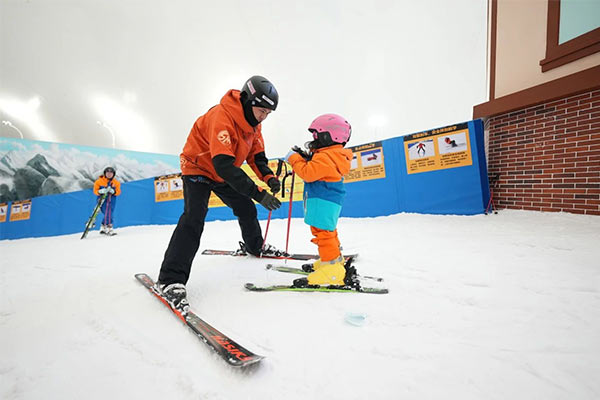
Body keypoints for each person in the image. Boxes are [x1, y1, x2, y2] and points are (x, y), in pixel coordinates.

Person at [157, 75, 282, 312]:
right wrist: (259, 193)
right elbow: (224, 165)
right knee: (194, 217)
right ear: (247, 100)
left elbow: (257, 156)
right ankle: (170, 279)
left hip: (221, 171)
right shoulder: (222, 117)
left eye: (268, 113)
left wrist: (269, 178)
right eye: (261, 110)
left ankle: (255, 246)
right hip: (199, 167)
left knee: (246, 207)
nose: (264, 116)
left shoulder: (254, 126)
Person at [285, 113, 353, 286]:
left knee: (323, 233)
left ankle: (332, 272)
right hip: (327, 200)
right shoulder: (331, 155)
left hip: (323, 200)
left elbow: (308, 173)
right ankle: (331, 261)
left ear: (328, 135)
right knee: (328, 231)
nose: (313, 139)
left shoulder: (326, 157)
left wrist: (293, 159)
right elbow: (315, 167)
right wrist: (305, 157)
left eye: (316, 134)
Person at [93, 166, 121, 235]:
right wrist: (100, 191)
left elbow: (118, 192)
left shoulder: (116, 182)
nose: (109, 174)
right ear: (105, 173)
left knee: (108, 213)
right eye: (107, 173)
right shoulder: (99, 181)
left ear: (113, 174)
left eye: (111, 173)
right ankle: (109, 227)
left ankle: (103, 226)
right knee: (108, 213)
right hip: (102, 200)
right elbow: (95, 191)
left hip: (111, 200)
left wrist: (113, 191)